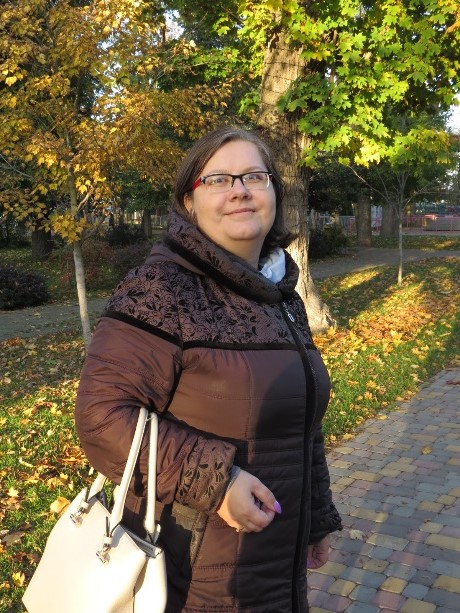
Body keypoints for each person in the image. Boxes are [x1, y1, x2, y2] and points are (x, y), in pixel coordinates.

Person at [75, 126, 342, 612]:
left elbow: (303, 421)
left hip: (279, 564)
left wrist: (316, 517)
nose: (240, 190)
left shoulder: (281, 294)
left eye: (255, 177)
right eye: (218, 180)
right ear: (189, 203)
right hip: (192, 573)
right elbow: (101, 416)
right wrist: (218, 484)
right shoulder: (161, 288)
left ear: (274, 193)